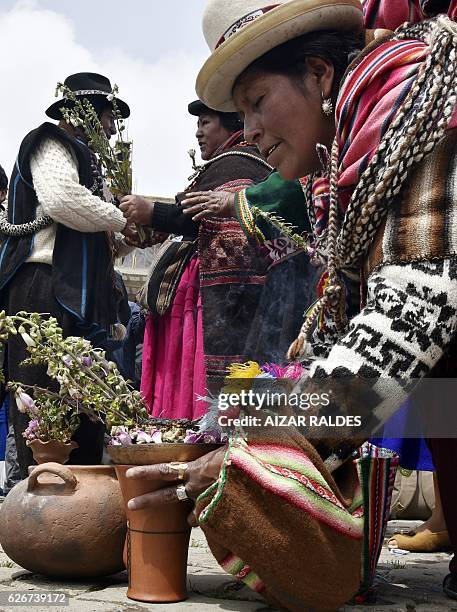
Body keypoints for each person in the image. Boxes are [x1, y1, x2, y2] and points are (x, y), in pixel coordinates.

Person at [125, 0, 457, 609]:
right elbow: (332, 328)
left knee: (437, 390)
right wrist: (241, 416)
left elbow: (413, 317)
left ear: (320, 75)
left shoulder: (419, 98)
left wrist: (251, 459)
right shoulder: (347, 155)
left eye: (256, 102)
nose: (247, 130)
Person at [0, 72, 134, 479]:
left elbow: (100, 239)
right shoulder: (51, 142)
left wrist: (130, 235)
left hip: (82, 294)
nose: (113, 129)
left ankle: (84, 503)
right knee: (41, 395)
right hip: (41, 287)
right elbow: (61, 200)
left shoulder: (92, 163)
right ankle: (39, 506)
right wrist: (121, 217)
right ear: (88, 113)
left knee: (86, 398)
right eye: (110, 117)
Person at [120, 100, 273, 419]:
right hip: (222, 297)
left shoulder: (238, 161)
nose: (198, 132)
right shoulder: (228, 164)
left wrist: (151, 213)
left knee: (198, 379)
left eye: (205, 123)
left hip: (216, 300)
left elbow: (191, 213)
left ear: (231, 123)